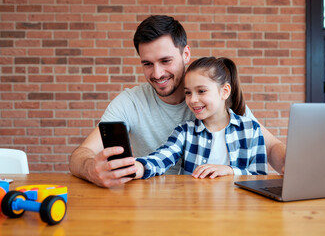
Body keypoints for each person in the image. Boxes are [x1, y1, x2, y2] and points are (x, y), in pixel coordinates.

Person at [69, 15, 285, 188]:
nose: (157, 73)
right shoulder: (131, 102)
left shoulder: (217, 98)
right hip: (159, 200)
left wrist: (294, 164)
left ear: (186, 54)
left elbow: (271, 148)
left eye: (165, 61)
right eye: (147, 64)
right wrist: (92, 170)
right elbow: (81, 155)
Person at [133, 57, 267, 180]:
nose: (193, 100)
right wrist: (138, 167)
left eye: (201, 91)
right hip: (194, 204)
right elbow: (162, 157)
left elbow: (259, 176)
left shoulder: (251, 129)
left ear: (225, 91)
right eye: (188, 93)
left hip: (237, 205)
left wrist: (230, 171)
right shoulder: (185, 131)